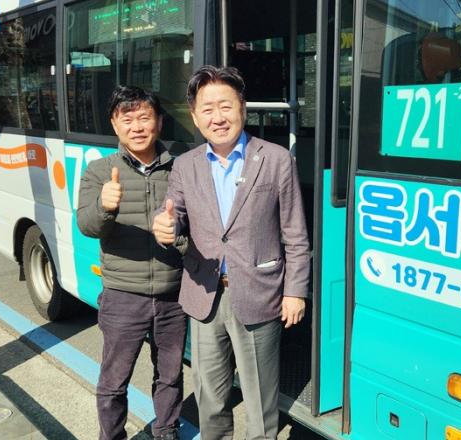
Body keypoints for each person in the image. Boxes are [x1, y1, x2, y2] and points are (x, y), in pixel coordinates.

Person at [152, 65, 311, 440]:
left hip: (260, 292)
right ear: (195, 116)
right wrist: (164, 226)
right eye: (207, 109)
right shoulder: (186, 165)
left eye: (225, 106)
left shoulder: (275, 159)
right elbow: (174, 214)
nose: (217, 117)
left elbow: (295, 233)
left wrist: (295, 291)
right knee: (210, 398)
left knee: (260, 401)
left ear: (242, 107)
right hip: (204, 293)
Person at [77, 85, 187, 440]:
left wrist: (178, 234)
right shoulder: (99, 171)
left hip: (173, 294)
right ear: (115, 124)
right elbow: (87, 226)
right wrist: (105, 206)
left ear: (159, 122)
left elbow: (200, 229)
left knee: (170, 375)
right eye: (127, 119)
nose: (137, 127)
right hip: (123, 295)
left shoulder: (181, 169)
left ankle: (166, 430)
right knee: (114, 380)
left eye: (144, 117)